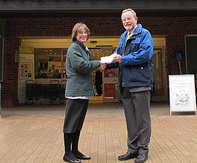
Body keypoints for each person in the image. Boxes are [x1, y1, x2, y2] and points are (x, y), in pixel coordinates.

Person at [103, 8, 154, 163]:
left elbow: (145, 55)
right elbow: (117, 57)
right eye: (124, 20)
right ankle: (132, 149)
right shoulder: (123, 36)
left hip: (140, 84)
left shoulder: (145, 34)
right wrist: (105, 64)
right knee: (131, 119)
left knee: (142, 120)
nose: (126, 22)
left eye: (129, 19)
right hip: (125, 85)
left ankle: (143, 150)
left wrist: (122, 59)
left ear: (136, 19)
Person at [63, 22, 105, 163]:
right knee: (71, 123)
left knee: (78, 123)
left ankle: (75, 150)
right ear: (75, 35)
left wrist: (96, 64)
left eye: (85, 33)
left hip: (83, 92)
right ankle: (67, 153)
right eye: (80, 33)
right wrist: (97, 63)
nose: (83, 35)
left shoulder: (83, 48)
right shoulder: (74, 48)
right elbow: (80, 66)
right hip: (75, 92)